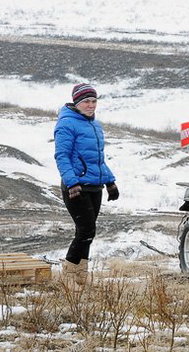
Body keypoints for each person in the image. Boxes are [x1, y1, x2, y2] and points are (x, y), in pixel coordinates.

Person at [54, 83, 119, 288]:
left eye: (93, 101)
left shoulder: (95, 125)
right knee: (86, 230)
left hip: (94, 186)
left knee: (88, 232)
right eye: (86, 102)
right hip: (77, 187)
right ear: (77, 103)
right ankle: (68, 275)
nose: (91, 105)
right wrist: (72, 183)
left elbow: (97, 159)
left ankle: (81, 275)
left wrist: (110, 181)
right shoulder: (66, 124)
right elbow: (62, 156)